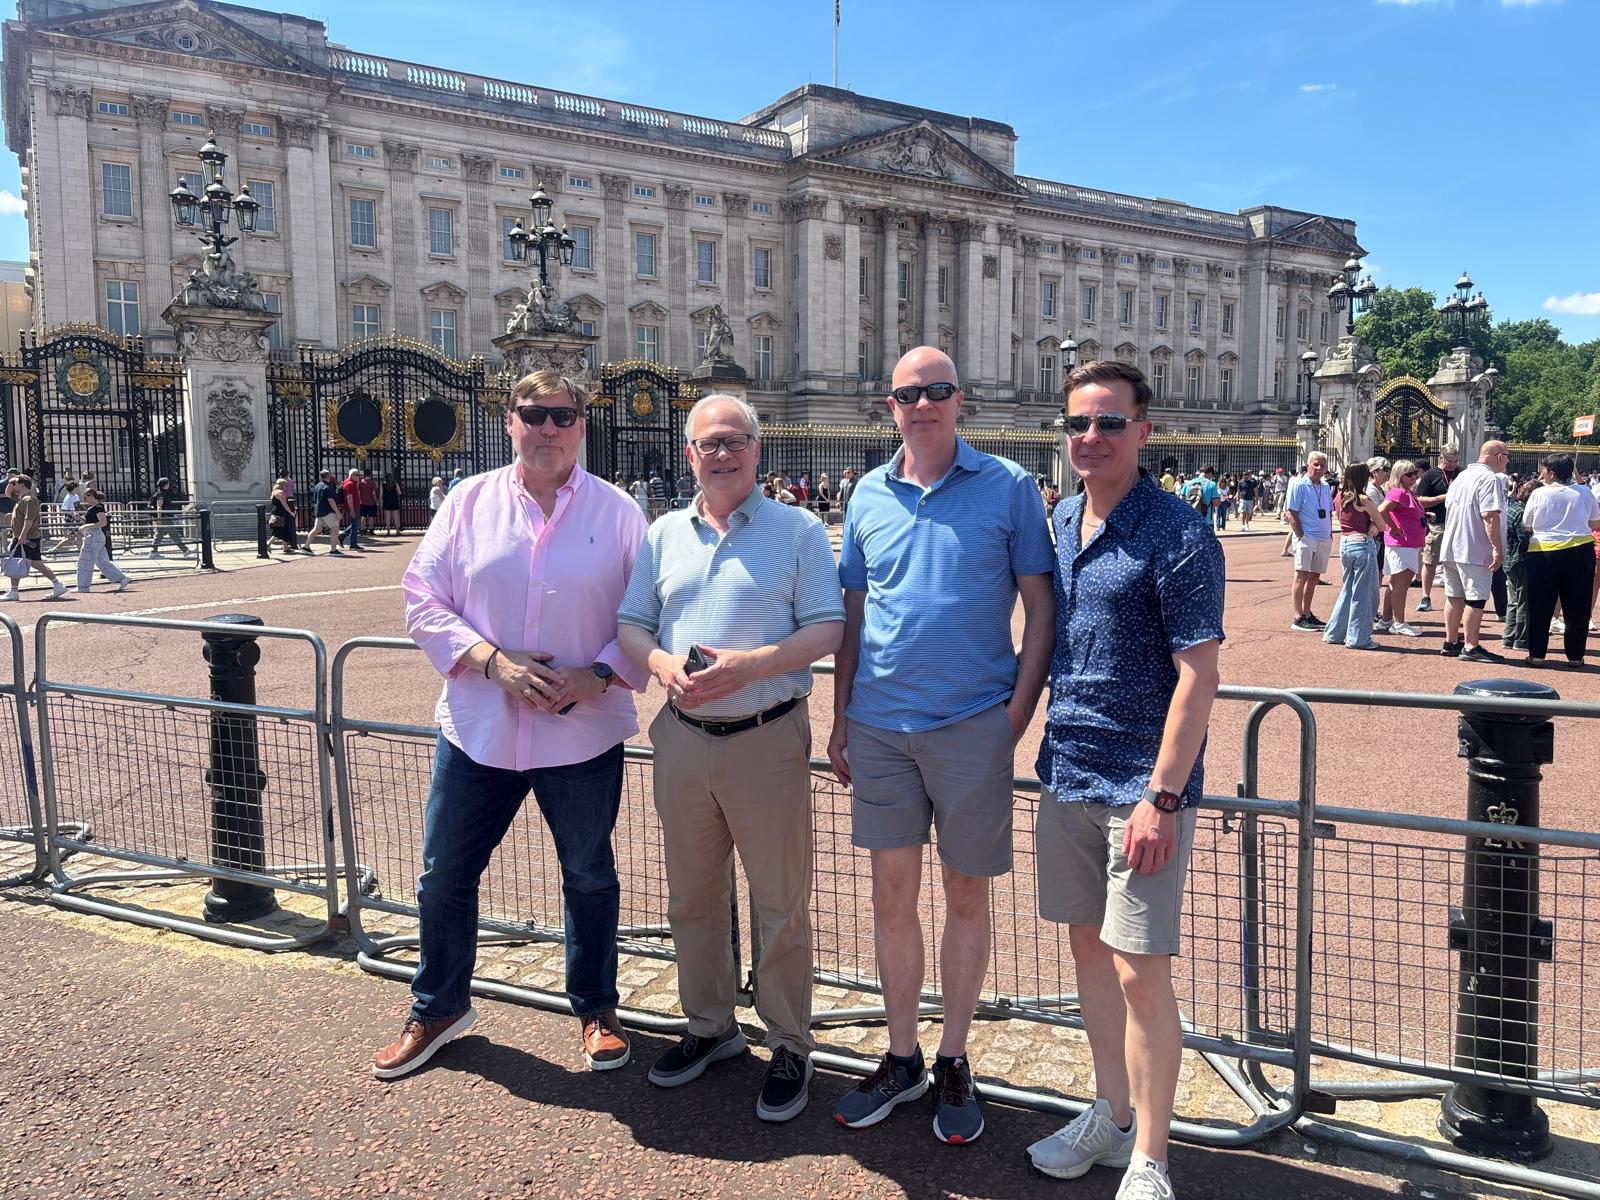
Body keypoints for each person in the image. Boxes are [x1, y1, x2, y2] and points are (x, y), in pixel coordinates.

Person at [377, 369, 649, 1081]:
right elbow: (422, 596)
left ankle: (597, 1008)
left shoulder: (620, 512)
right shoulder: (467, 501)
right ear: (510, 422)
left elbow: (650, 612)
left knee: (588, 875)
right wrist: (492, 662)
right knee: (444, 875)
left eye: (563, 416)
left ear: (581, 426)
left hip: (581, 728)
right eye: (534, 414)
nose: (548, 428)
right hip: (480, 727)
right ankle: (438, 1006)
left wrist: (597, 675)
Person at [829, 346, 1055, 1145]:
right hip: (880, 725)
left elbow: (1040, 607)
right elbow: (854, 616)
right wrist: (840, 715)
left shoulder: (1009, 485)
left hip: (971, 724)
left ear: (961, 400)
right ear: (889, 406)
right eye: (908, 393)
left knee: (966, 896)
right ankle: (903, 1057)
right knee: (891, 899)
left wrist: (1016, 714)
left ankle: (955, 1056)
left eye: (938, 390)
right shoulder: (865, 491)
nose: (922, 404)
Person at [617, 394, 843, 1123]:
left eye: (735, 440)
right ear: (690, 454)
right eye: (709, 443)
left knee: (780, 900)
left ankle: (790, 1041)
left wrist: (752, 665)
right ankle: (710, 1024)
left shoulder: (798, 529)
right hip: (683, 735)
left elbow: (828, 628)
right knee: (692, 896)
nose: (722, 454)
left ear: (756, 449)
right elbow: (631, 624)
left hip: (766, 735)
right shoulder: (662, 533)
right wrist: (660, 664)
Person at [1025, 361, 1222, 1199]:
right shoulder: (1063, 517)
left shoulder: (1179, 530)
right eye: (1078, 423)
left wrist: (1162, 797)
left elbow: (1199, 675)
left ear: (1143, 430)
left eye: (1109, 422)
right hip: (1068, 768)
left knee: (1142, 972)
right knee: (1089, 956)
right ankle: (1108, 1114)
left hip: (1140, 785)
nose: (1091, 437)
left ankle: (1152, 1155)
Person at [1522, 453, 1600, 667]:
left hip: (1544, 550)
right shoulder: (1584, 491)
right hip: (1580, 550)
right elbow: (1595, 523)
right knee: (1578, 604)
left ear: (1551, 472)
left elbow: (1527, 525)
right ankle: (1575, 656)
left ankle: (1537, 654)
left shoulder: (1539, 493)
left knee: (1540, 603)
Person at [1438, 442, 1509, 663]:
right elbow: (1490, 516)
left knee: (1454, 596)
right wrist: (1497, 548)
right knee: (1476, 598)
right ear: (1499, 456)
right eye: (1507, 456)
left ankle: (1451, 641)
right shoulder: (1489, 479)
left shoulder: (1461, 477)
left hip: (1452, 544)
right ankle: (1471, 645)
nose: (1507, 461)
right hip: (1474, 547)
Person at [1321, 463, 1392, 651]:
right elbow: (1382, 525)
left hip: (1345, 543)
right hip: (1362, 543)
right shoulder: (1363, 499)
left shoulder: (1339, 497)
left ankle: (1335, 633)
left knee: (1347, 590)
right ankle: (1359, 638)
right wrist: (1374, 525)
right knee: (1364, 594)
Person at [1283, 452, 1333, 630]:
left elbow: (1328, 511)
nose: (1319, 468)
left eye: (1323, 465)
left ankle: (1307, 613)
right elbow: (1291, 512)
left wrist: (1330, 533)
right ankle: (1298, 616)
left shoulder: (1325, 486)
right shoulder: (1298, 484)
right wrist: (1301, 536)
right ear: (1308, 464)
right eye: (1316, 464)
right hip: (1307, 536)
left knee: (1315, 576)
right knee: (1301, 575)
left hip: (1323, 537)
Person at [1378, 460, 1425, 637]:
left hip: (1406, 543)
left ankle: (1387, 620)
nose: (1414, 476)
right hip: (1403, 544)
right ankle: (1398, 622)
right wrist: (1393, 527)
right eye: (1409, 474)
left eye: (1415, 473)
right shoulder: (1399, 492)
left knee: (1395, 583)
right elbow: (1382, 510)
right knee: (1401, 584)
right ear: (1400, 476)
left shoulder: (1406, 492)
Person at [3, 475, 67, 600]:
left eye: (15, 484)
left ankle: (14, 591)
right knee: (35, 563)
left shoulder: (29, 500)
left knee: (17, 561)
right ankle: (57, 585)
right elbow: (8, 493)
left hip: (26, 537)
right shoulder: (22, 498)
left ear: (22, 485)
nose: (13, 486)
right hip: (25, 537)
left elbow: (29, 520)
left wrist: (22, 535)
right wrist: (11, 481)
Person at [1416, 451, 1459, 613]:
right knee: (1430, 561)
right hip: (1437, 525)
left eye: (1456, 461)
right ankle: (1425, 597)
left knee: (1456, 562)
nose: (1453, 464)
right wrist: (1443, 497)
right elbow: (1419, 500)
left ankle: (1455, 597)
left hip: (1457, 524)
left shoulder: (1462, 474)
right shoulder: (1430, 475)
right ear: (1441, 458)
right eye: (1449, 461)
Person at [1503, 478, 1536, 654]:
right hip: (1521, 560)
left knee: (1513, 602)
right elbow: (1524, 540)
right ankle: (1521, 640)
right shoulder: (1523, 512)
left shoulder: (1512, 508)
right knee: (1524, 602)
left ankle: (1509, 638)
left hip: (1510, 560)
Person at [74, 487, 130, 592]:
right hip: (95, 536)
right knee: (102, 561)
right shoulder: (95, 507)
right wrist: (81, 519)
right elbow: (93, 521)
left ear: (91, 496)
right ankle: (122, 578)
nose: (84, 500)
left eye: (85, 497)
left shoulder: (98, 507)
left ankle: (83, 586)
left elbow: (103, 522)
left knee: (85, 560)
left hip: (94, 536)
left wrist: (86, 526)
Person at [1364, 458, 1393, 632]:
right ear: (1374, 472)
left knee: (1379, 573)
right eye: (1385, 469)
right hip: (1374, 535)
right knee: (1374, 574)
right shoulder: (1370, 490)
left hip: (1381, 535)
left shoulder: (1380, 489)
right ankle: (1369, 609)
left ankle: (1373, 608)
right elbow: (1376, 512)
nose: (1388, 472)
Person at [307, 469, 346, 556]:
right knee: (335, 529)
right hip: (328, 511)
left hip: (319, 511)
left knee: (316, 529)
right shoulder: (328, 487)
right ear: (328, 476)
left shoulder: (317, 486)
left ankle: (306, 546)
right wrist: (337, 512)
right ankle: (333, 550)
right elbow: (331, 501)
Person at [149, 477, 190, 557]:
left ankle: (153, 552)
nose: (169, 484)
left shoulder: (162, 493)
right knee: (174, 534)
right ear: (164, 484)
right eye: (167, 483)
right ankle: (185, 550)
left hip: (164, 517)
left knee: (159, 535)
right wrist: (159, 518)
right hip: (165, 518)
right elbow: (159, 507)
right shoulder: (161, 494)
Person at [267, 478, 305, 554]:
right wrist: (291, 512)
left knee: (284, 530)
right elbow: (285, 504)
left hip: (276, 511)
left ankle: (286, 548)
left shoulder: (274, 491)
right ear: (282, 485)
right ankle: (268, 544)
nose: (286, 487)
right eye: (285, 485)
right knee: (280, 531)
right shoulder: (280, 493)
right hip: (281, 513)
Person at [48, 479, 83, 554]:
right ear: (73, 488)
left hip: (76, 518)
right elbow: (63, 510)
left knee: (78, 535)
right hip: (70, 519)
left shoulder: (76, 496)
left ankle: (80, 551)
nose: (78, 489)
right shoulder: (68, 498)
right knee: (71, 537)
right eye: (77, 487)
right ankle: (55, 549)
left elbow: (77, 507)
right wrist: (72, 514)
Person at [339, 468, 364, 551]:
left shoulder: (347, 482)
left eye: (359, 475)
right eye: (357, 475)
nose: (358, 477)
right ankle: (352, 543)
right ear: (352, 475)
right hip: (353, 507)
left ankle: (343, 537)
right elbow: (349, 498)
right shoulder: (350, 484)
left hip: (353, 507)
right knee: (355, 525)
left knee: (354, 524)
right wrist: (352, 510)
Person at [358, 468, 380, 534]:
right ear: (370, 474)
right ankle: (371, 529)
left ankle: (363, 528)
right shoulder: (372, 482)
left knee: (363, 516)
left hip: (363, 501)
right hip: (371, 502)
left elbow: (358, 492)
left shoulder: (361, 481)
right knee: (371, 516)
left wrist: (360, 499)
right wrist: (376, 501)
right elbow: (373, 493)